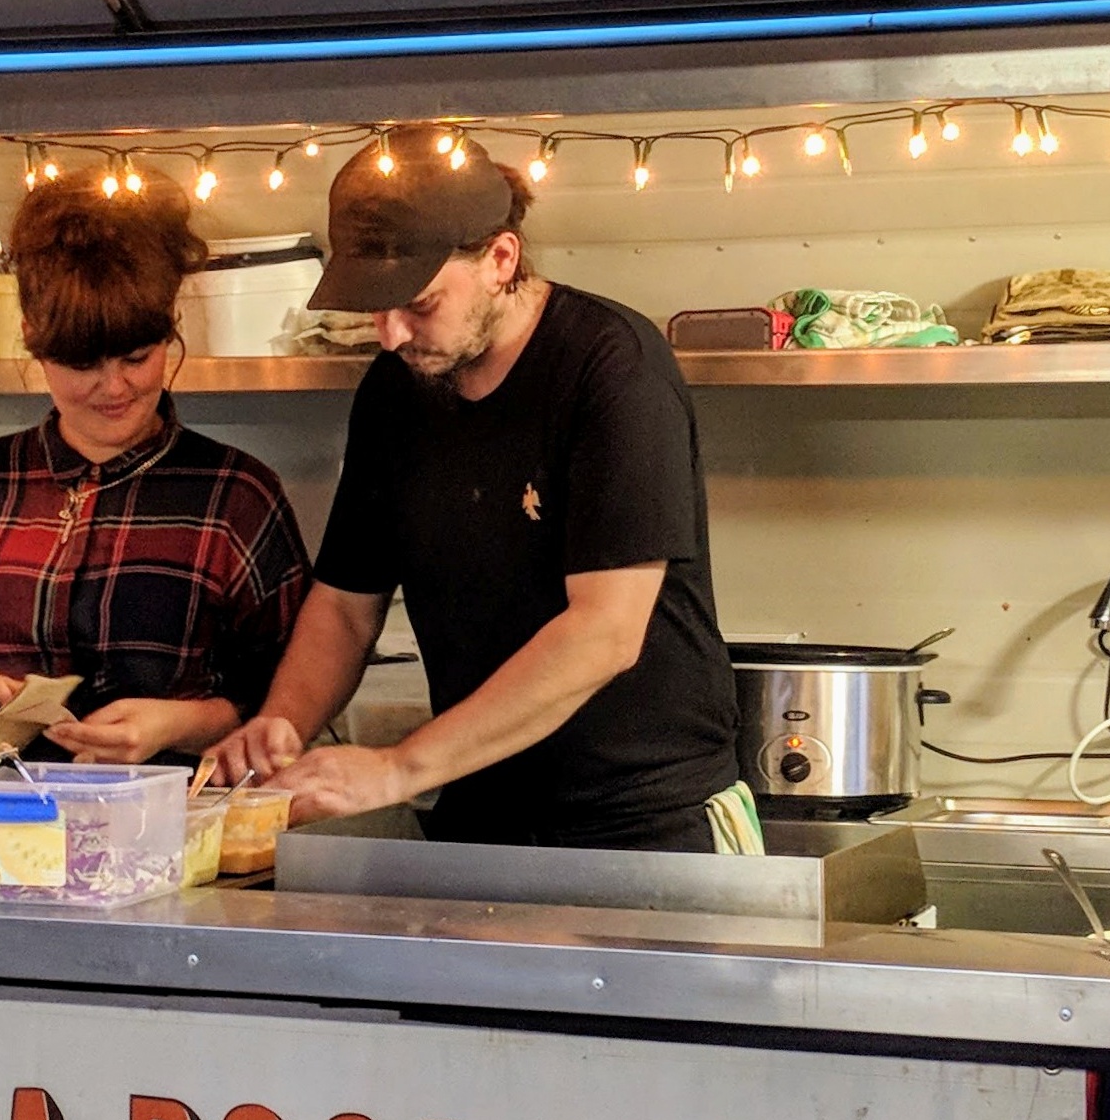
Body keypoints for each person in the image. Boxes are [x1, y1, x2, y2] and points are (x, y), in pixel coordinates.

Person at [206, 124, 750, 853]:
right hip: (481, 808)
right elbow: (343, 604)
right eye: (373, 308)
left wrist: (399, 768)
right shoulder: (395, 393)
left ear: (500, 258)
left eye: (419, 304)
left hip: (642, 819)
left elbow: (604, 632)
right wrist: (283, 722)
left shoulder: (612, 368)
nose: (392, 333)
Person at [0, 171, 309, 763]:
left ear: (170, 327)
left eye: (136, 357)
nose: (114, 387)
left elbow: (287, 698)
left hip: (162, 831)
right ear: (31, 338)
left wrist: (179, 724)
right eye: (82, 364)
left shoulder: (236, 495)